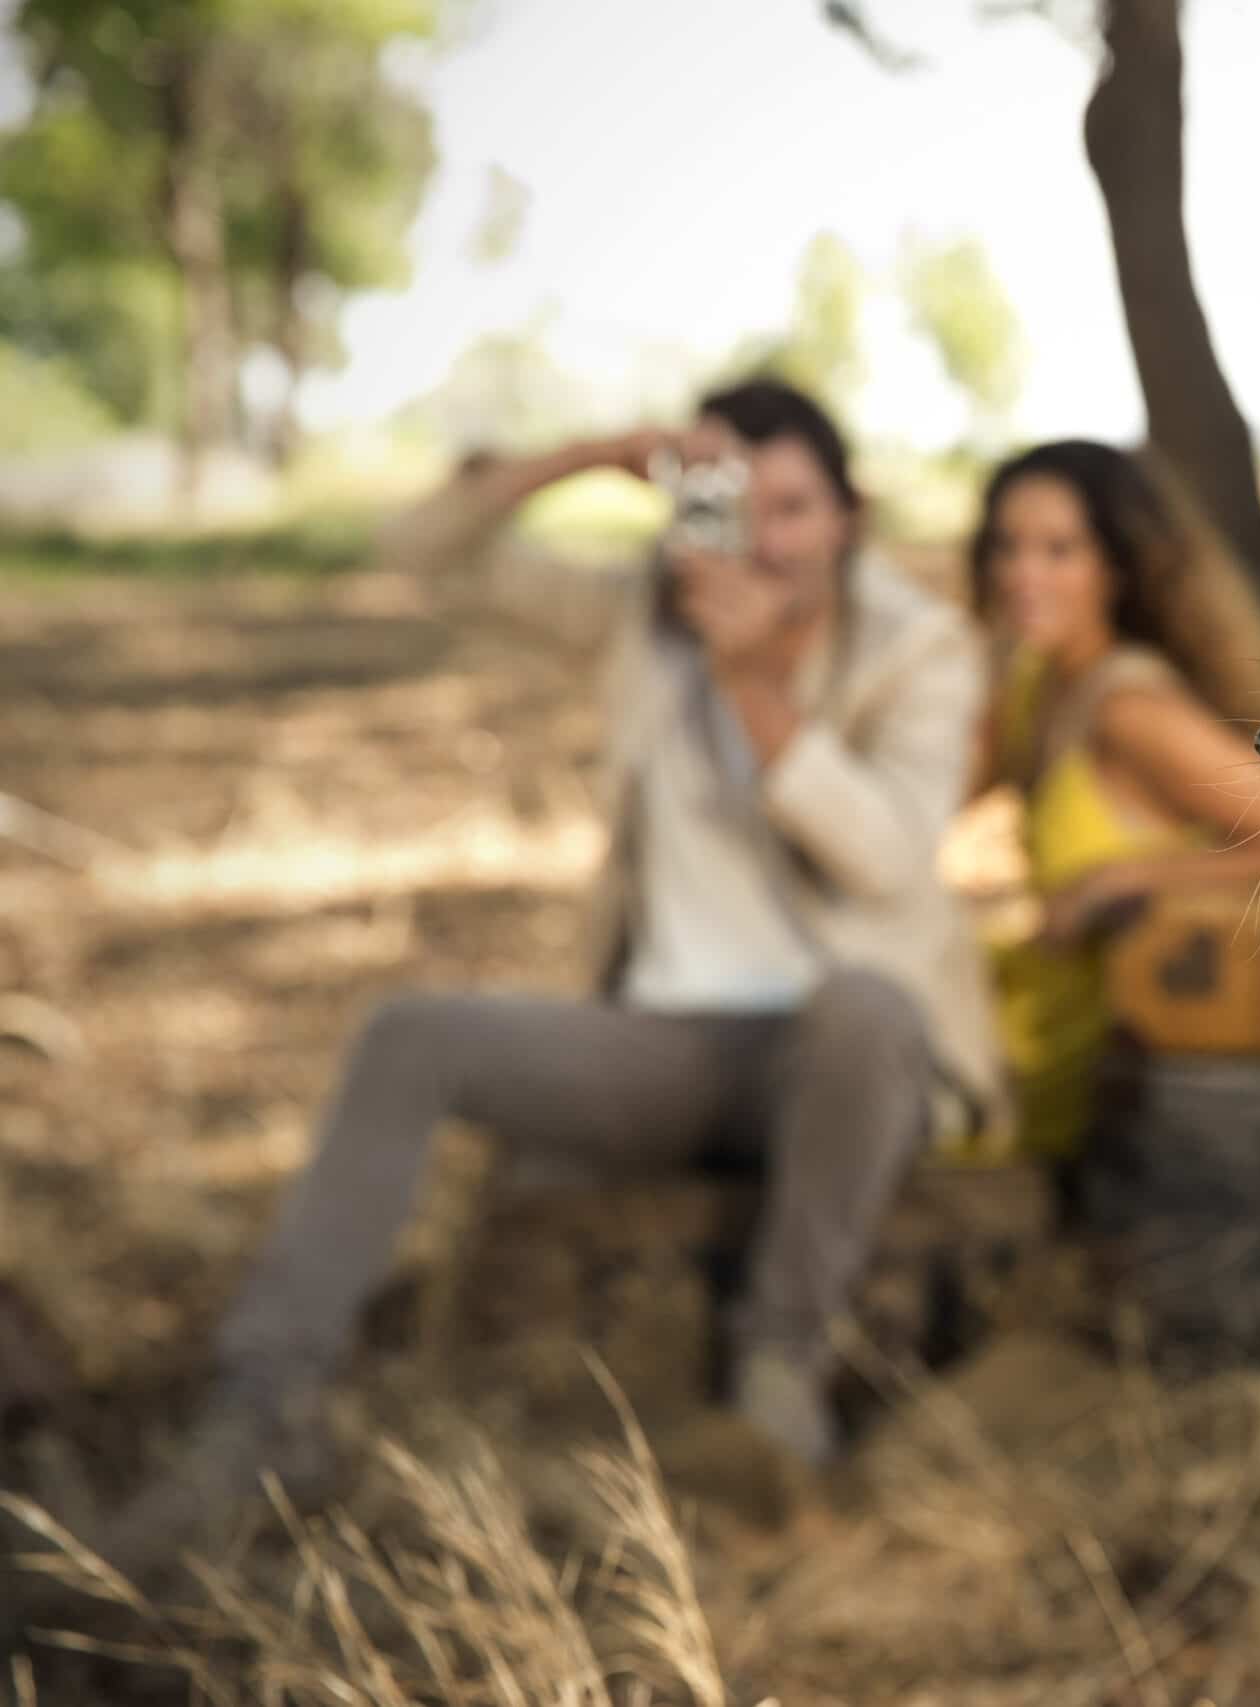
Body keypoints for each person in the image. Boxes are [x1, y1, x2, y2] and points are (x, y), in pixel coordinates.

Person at [132, 379, 1001, 1531]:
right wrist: (585, 457)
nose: (766, 542)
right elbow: (418, 552)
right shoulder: (645, 615)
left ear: (849, 514)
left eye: (794, 510)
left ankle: (777, 1374)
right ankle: (258, 1413)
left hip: (843, 1058)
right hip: (666, 1045)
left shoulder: (917, 646)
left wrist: (757, 689)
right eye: (735, 505)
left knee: (862, 1006)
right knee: (408, 1037)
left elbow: (890, 860)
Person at [971, 441, 1260, 1161]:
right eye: (1007, 547)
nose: (1023, 575)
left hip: (1088, 1063)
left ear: (1114, 568)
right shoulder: (1036, 685)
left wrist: (1124, 877)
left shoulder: (1130, 709)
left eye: (1059, 550)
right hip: (1028, 1010)